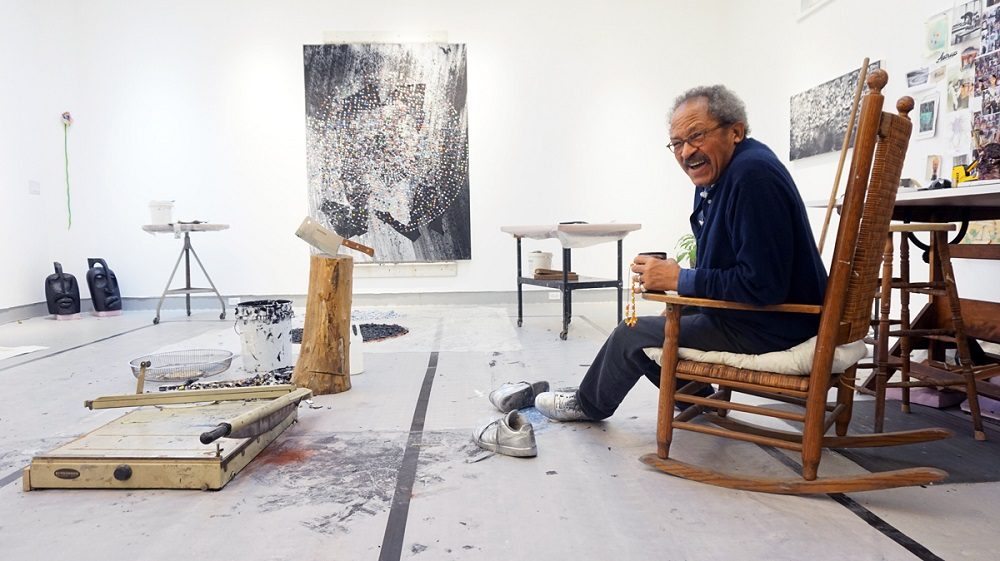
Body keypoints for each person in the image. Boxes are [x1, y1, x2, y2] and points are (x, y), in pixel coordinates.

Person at [535, 85, 828, 421]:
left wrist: (679, 278)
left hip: (774, 324)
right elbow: (730, 265)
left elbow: (764, 284)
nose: (687, 151)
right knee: (664, 322)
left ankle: (588, 405)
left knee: (632, 333)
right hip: (757, 314)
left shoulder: (752, 177)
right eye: (677, 143)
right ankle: (697, 399)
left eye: (697, 135)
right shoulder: (719, 178)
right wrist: (682, 293)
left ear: (735, 132)